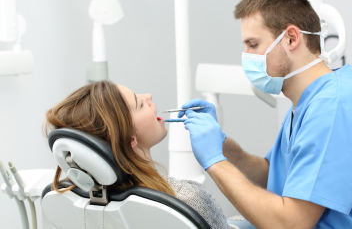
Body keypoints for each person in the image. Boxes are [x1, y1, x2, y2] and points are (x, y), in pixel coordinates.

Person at [178, 0, 352, 228]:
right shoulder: (306, 101)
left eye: (253, 44)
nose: (246, 57)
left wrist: (215, 162)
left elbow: (291, 223)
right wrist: (221, 143)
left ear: (291, 38)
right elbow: (272, 174)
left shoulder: (332, 106)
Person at [43, 81, 235, 229]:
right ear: (130, 139)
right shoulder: (188, 200)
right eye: (140, 104)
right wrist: (216, 158)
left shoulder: (75, 201)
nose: (149, 96)